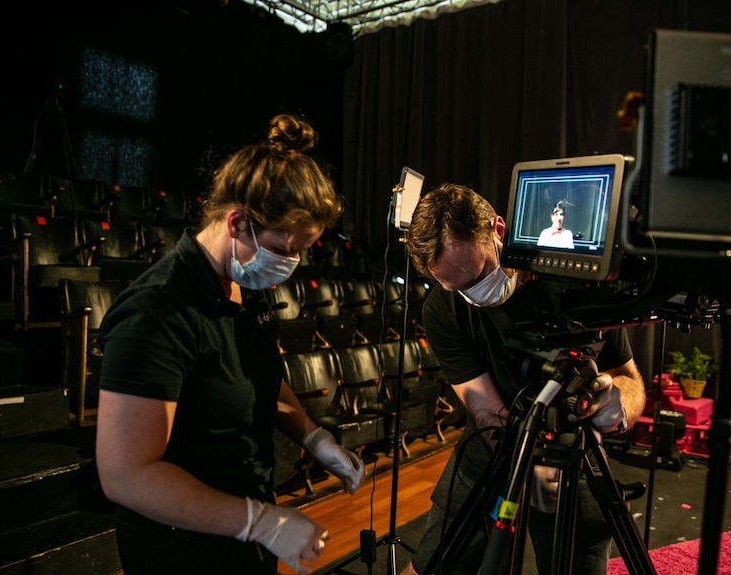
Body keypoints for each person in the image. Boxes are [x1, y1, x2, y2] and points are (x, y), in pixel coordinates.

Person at [95, 113, 366, 575]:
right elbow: (126, 474)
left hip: (243, 522)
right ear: (238, 223)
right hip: (182, 545)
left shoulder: (248, 285)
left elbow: (259, 378)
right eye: (287, 249)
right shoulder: (157, 311)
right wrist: (258, 522)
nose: (293, 263)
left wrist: (313, 436)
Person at [400, 183, 646, 575]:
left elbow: (627, 376)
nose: (474, 294)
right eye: (456, 287)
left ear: (498, 230)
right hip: (491, 449)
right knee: (434, 565)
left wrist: (620, 405)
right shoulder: (441, 309)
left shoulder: (573, 278)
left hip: (573, 452)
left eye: (478, 274)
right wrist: (525, 463)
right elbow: (485, 411)